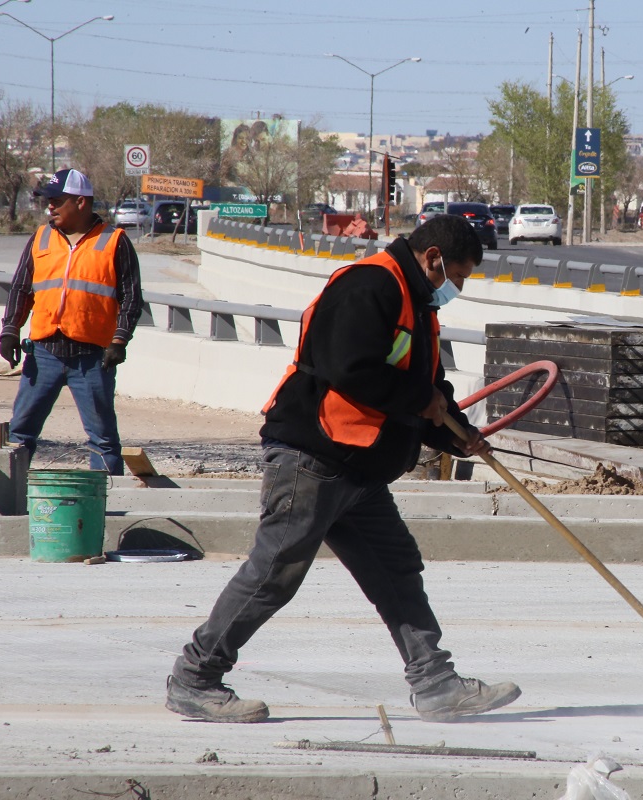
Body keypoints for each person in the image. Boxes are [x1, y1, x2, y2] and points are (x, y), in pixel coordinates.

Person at [165, 214, 520, 724]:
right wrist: (424, 402)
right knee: (273, 576)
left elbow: (429, 391)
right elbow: (347, 367)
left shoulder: (419, 306)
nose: (457, 288)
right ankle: (194, 679)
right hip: (314, 456)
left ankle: (436, 682)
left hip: (360, 469)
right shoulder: (369, 284)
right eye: (457, 276)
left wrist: (457, 435)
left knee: (396, 571)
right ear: (433, 258)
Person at [0, 168, 143, 475]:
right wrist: (10, 330)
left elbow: (132, 298)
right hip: (44, 354)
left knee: (102, 439)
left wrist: (119, 340)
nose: (49, 206)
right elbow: (22, 288)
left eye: (56, 200)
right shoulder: (40, 238)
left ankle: (105, 509)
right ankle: (12, 497)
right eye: (47, 200)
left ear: (80, 202)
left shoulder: (114, 241)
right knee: (20, 434)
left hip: (93, 359)